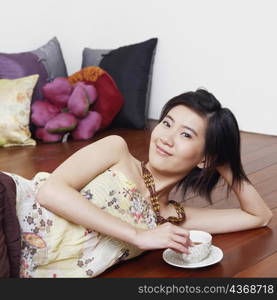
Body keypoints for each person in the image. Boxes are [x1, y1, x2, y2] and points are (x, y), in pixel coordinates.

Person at [1, 89, 273, 278]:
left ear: (204, 157)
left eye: (186, 134)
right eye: (167, 123)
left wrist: (222, 161)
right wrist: (137, 236)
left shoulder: (173, 220)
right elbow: (50, 192)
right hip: (9, 212)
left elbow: (259, 216)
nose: (166, 137)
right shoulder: (117, 151)